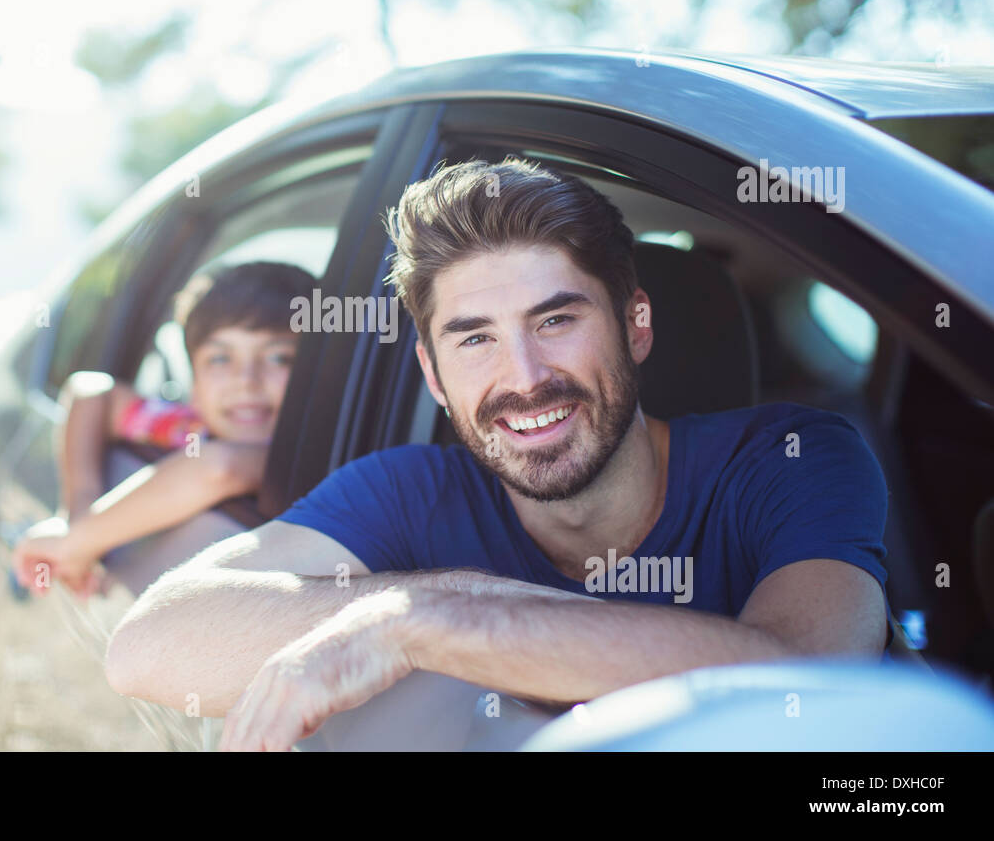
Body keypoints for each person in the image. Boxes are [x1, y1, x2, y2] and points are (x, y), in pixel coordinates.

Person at [103, 157, 893, 751]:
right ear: (433, 377)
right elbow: (148, 645)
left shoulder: (789, 459)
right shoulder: (408, 493)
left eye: (556, 321)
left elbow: (809, 688)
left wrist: (429, 623)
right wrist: (441, 600)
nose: (523, 378)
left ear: (636, 325)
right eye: (474, 338)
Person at [11, 260, 316, 598]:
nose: (246, 380)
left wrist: (77, 542)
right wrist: (78, 509)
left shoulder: (309, 454)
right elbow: (91, 391)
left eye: (279, 358)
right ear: (195, 386)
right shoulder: (188, 427)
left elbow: (221, 468)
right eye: (219, 359)